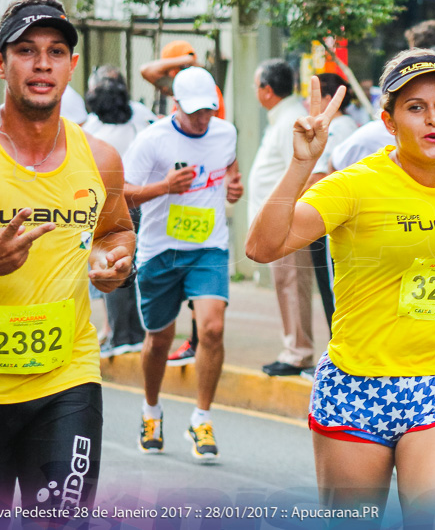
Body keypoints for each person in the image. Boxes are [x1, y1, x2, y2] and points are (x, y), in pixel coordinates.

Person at [245, 48, 435, 523]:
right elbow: (262, 247)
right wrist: (300, 165)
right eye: (415, 108)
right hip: (357, 385)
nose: (433, 119)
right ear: (389, 122)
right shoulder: (354, 185)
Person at [0, 0, 134, 519]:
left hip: (68, 382)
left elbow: (117, 230)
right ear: (0, 62)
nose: (42, 64)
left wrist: (114, 259)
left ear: (71, 65)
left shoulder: (100, 159)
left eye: (56, 51)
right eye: (26, 50)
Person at [123, 66, 243, 461]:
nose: (202, 119)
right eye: (194, 113)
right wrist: (164, 187)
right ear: (175, 105)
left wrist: (234, 185)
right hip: (159, 249)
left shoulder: (225, 132)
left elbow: (229, 167)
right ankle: (151, 411)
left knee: (212, 329)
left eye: (208, 110)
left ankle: (202, 418)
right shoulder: (152, 140)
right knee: (159, 340)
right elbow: (121, 195)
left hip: (208, 246)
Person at [247, 59, 315, 377]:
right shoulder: (283, 117)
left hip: (287, 224)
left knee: (291, 286)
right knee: (286, 286)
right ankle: (293, 348)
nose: (254, 90)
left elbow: (303, 174)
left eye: (256, 84)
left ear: (267, 91)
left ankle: (298, 352)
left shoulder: (290, 119)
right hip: (279, 224)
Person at [84, 75, 155, 358]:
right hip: (138, 204)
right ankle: (135, 333)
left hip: (106, 206)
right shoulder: (139, 120)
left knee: (110, 266)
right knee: (131, 267)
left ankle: (118, 334)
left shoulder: (93, 132)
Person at [305, 73, 359, 333]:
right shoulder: (339, 126)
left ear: (329, 98)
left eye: (313, 95)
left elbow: (324, 175)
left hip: (332, 218)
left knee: (332, 290)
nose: (307, 102)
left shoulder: (342, 127)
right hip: (323, 215)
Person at [140, 40, 227, 119]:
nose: (165, 76)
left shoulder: (198, 88)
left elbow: (146, 71)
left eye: (166, 71)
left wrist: (188, 60)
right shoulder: (186, 91)